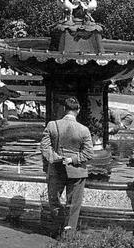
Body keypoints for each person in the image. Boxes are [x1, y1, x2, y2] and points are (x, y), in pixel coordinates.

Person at [40, 97, 94, 239]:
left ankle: (59, 227)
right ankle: (68, 234)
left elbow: (44, 147)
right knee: (73, 204)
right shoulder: (84, 130)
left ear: (64, 109)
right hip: (77, 171)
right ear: (78, 110)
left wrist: (55, 158)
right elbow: (88, 153)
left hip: (57, 169)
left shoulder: (52, 125)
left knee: (54, 200)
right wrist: (73, 159)